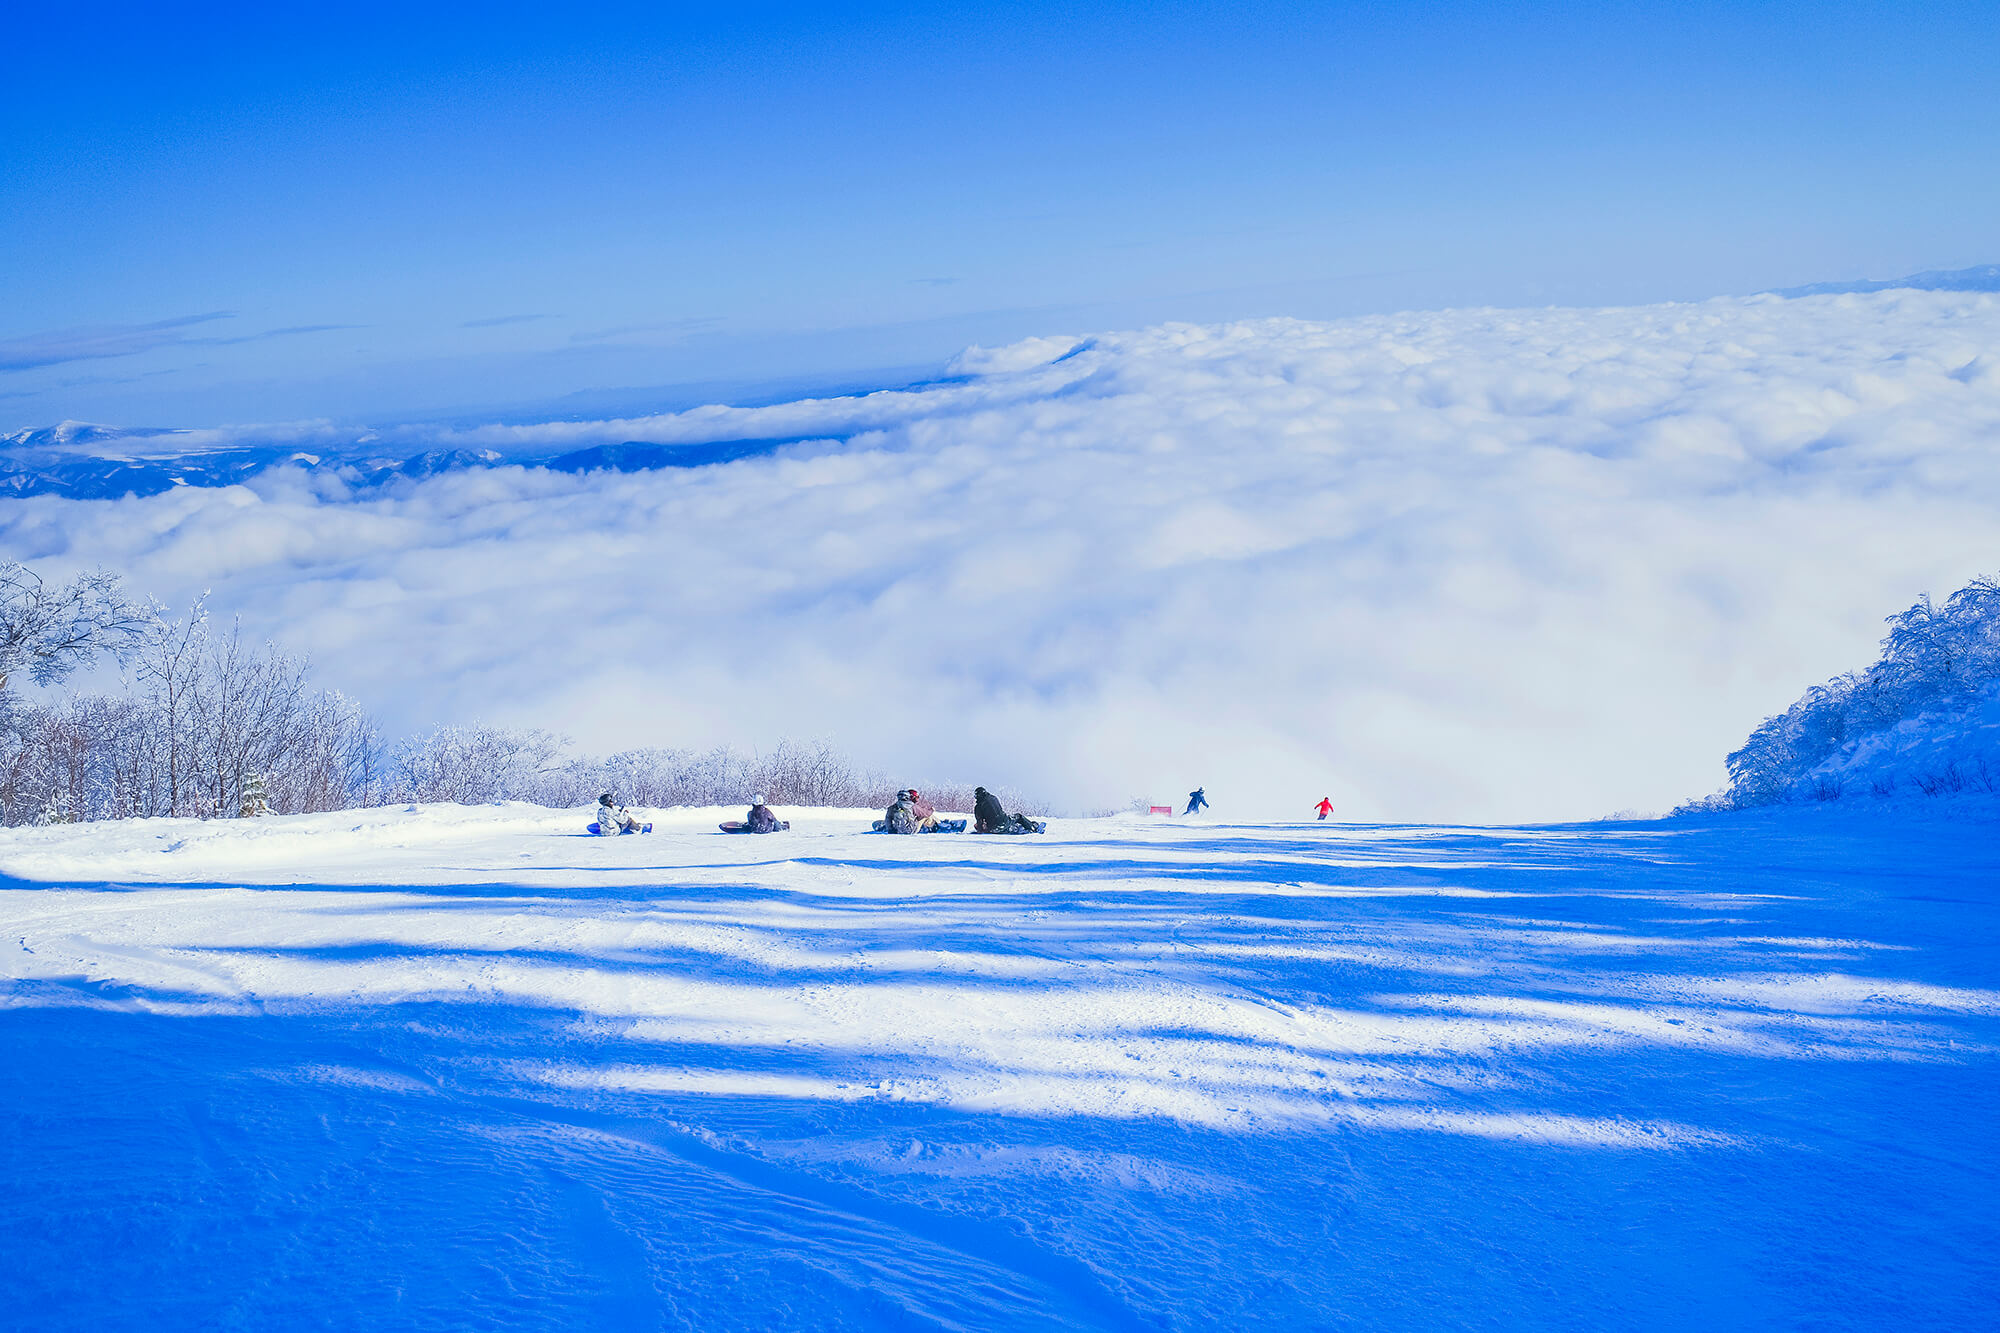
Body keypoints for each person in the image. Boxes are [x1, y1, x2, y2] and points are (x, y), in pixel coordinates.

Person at [973, 786, 1044, 834]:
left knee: (995, 826)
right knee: (1018, 816)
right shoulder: (994, 798)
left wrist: (979, 831)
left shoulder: (978, 806)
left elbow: (980, 821)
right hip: (1004, 821)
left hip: (994, 828)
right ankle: (1032, 827)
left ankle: (1017, 828)